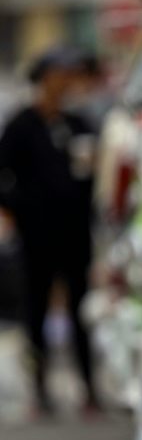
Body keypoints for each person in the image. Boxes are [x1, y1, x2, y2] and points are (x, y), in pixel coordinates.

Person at [0, 46, 101, 415]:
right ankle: (39, 390)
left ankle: (89, 389)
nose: (65, 82)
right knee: (36, 309)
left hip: (74, 232)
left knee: (81, 310)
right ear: (43, 79)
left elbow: (93, 174)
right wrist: (18, 208)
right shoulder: (22, 125)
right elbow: (3, 173)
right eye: (59, 74)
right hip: (36, 234)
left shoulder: (78, 123)